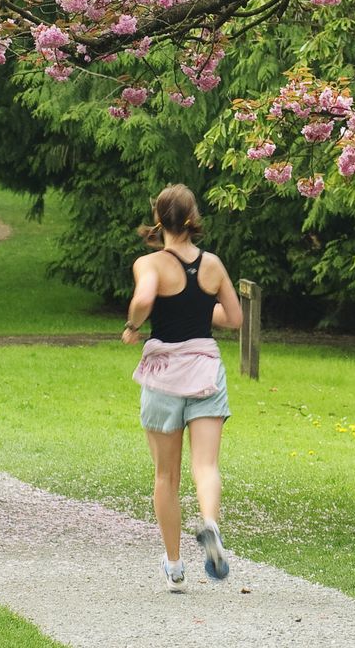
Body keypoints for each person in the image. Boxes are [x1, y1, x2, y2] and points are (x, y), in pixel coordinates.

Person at [123, 184, 243, 592]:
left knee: (165, 476)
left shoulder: (150, 263)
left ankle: (174, 566)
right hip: (204, 369)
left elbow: (143, 301)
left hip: (164, 374)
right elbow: (234, 317)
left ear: (159, 220)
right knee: (205, 466)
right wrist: (198, 306)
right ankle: (210, 523)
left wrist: (133, 326)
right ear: (193, 218)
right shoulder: (213, 264)